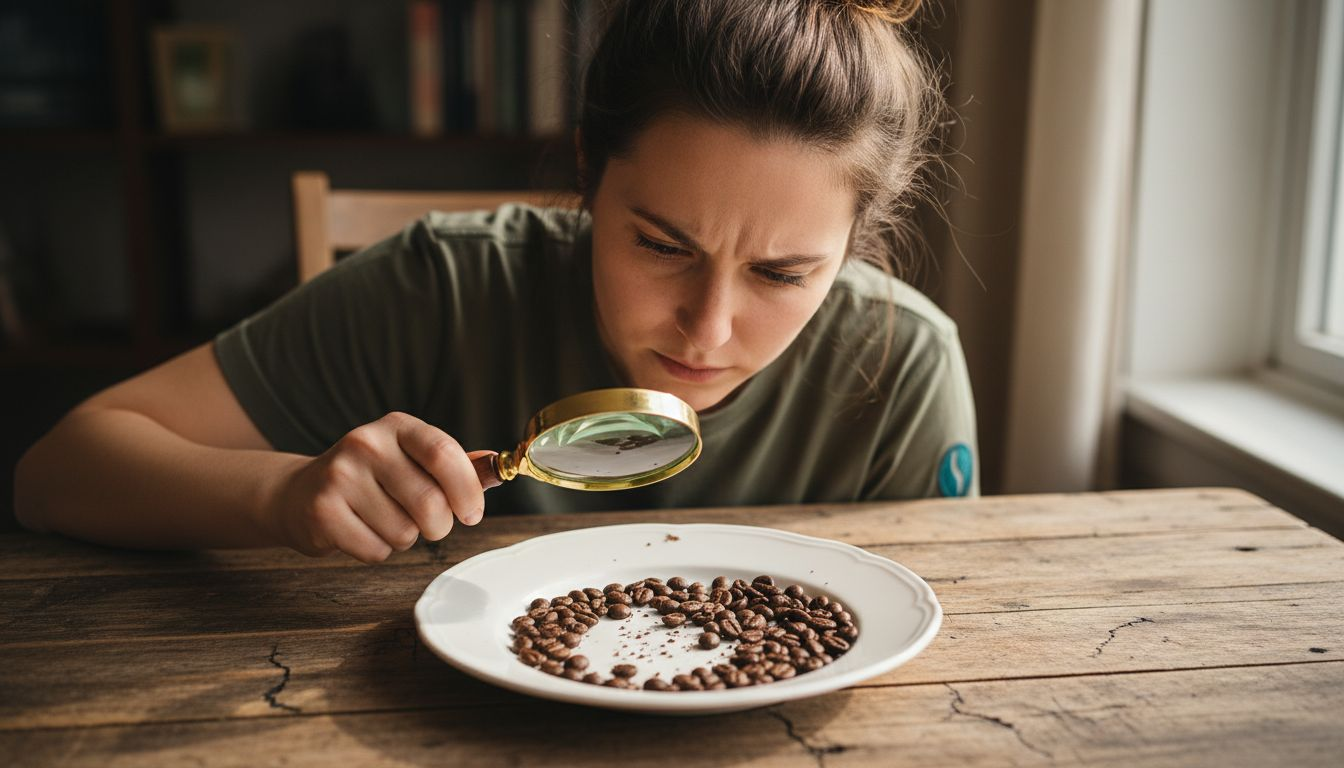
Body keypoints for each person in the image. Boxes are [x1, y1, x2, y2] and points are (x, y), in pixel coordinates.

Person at [14, 0, 977, 564]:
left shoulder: (904, 369)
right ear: (590, 175)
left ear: (854, 244)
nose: (709, 329)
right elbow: (56, 472)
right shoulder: (441, 288)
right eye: (661, 246)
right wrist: (278, 495)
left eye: (782, 273)